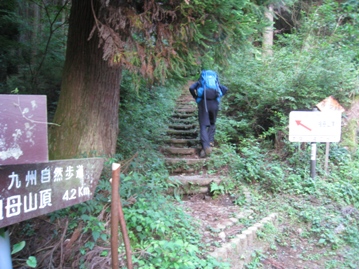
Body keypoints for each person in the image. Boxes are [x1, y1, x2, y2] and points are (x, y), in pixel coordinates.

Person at [189, 72, 228, 158]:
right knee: (212, 123)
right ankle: (210, 141)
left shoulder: (200, 83)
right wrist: (217, 98)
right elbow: (225, 89)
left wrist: (195, 97)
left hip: (203, 103)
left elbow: (191, 88)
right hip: (214, 104)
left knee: (203, 125)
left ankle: (206, 146)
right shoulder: (215, 84)